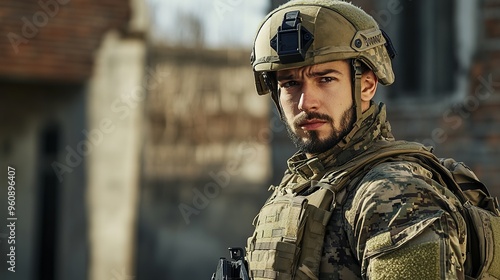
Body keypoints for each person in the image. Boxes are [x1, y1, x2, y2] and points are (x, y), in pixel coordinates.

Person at [244, 0, 472, 279]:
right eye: (290, 84)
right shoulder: (298, 184)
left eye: (325, 79)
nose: (306, 103)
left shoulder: (394, 193)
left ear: (366, 85)